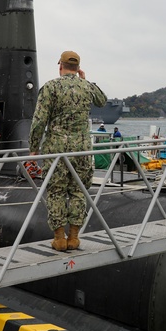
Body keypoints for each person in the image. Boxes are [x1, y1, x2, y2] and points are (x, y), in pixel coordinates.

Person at [28, 50, 107, 252]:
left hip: (57, 150)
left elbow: (39, 122)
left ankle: (59, 239)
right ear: (77, 67)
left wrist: (33, 149)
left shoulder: (51, 87)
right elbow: (102, 100)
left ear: (60, 66)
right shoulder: (87, 87)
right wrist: (85, 80)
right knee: (78, 191)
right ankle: (74, 237)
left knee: (56, 191)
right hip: (82, 150)